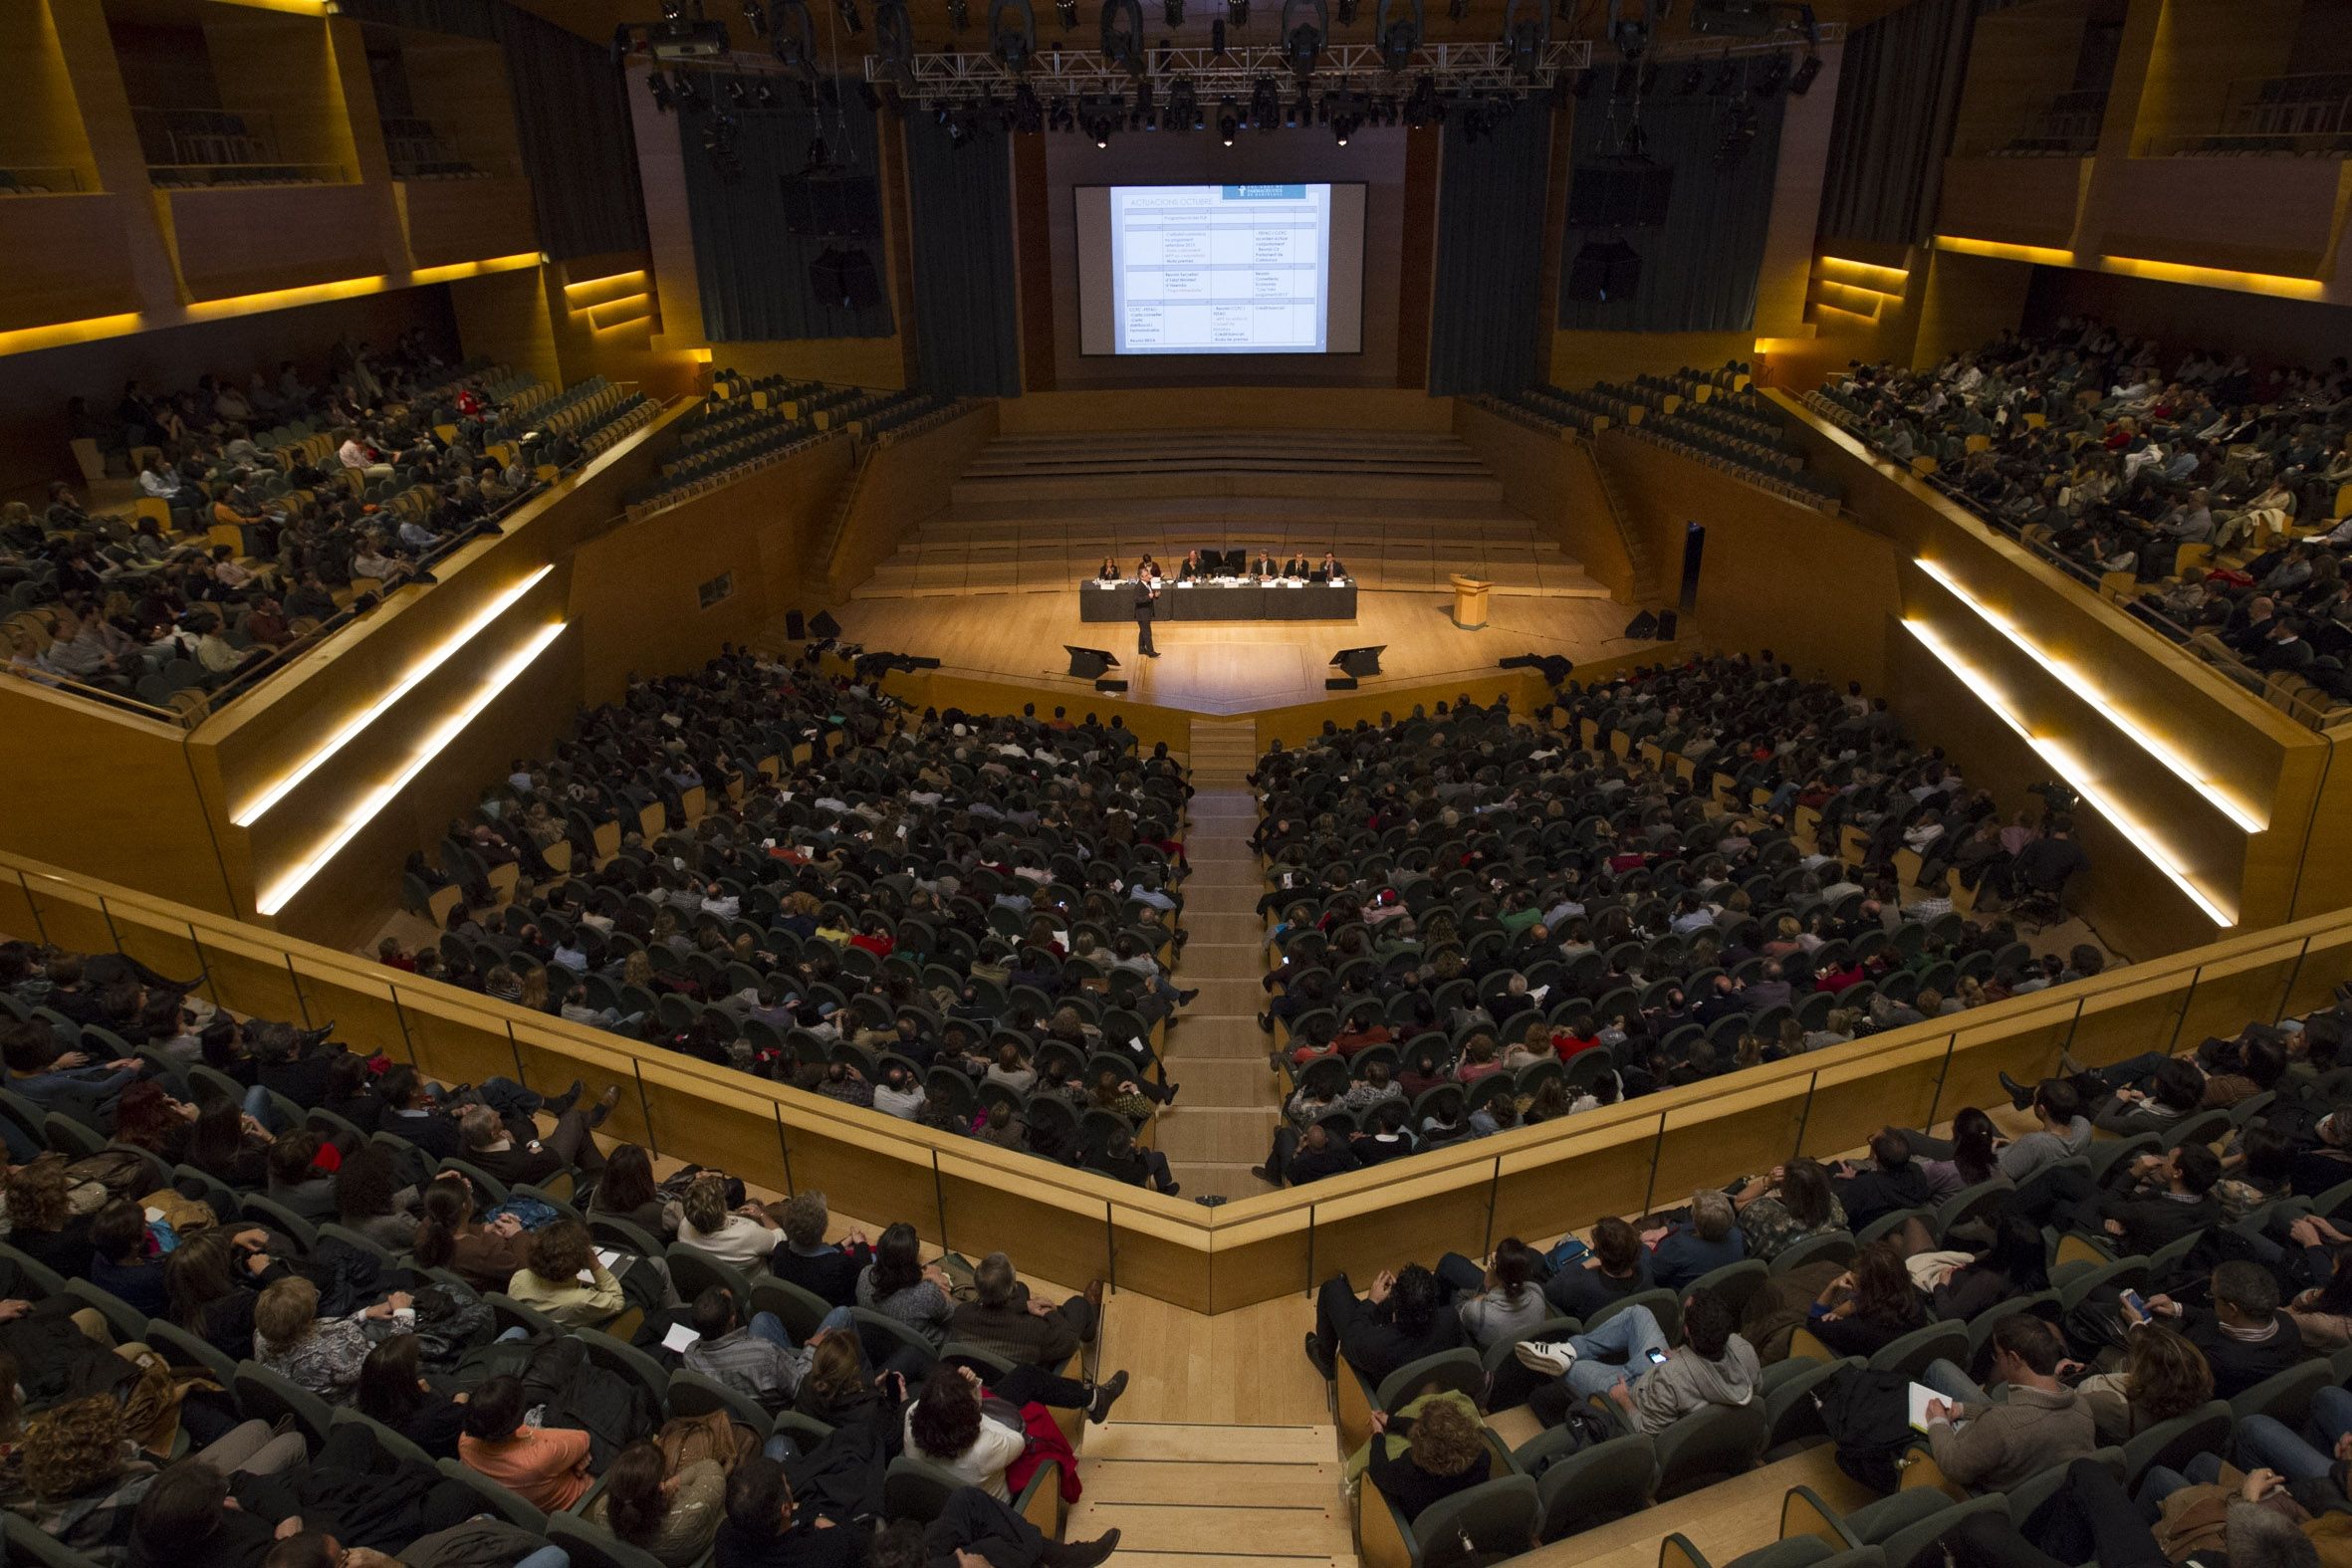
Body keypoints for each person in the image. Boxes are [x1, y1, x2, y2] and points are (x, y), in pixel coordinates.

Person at [1516, 1287, 1758, 1435]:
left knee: (1572, 1369)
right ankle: (1569, 1349)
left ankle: (1569, 1358)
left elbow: (1645, 1430)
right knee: (1637, 1314)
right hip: (1667, 1368)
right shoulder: (1743, 1348)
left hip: (1630, 1392)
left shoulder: (1670, 1380)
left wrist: (1623, 1400)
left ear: (1687, 1332)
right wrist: (1685, 1357)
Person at [1915, 1314, 2098, 1492]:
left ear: (2013, 1359)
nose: (1997, 1361)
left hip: (1981, 1488)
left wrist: (1937, 1421)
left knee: (1938, 1369)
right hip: (2037, 1488)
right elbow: (2017, 1413)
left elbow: (1952, 1466)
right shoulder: (2083, 1407)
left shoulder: (2000, 1425)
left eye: (1997, 1355)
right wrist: (1962, 1409)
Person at [2129, 1260, 2307, 1400]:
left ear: (2232, 1309)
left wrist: (2138, 1327)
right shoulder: (2286, 1324)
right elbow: (2217, 1321)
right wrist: (2178, 1308)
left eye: (2212, 1296)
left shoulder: (2222, 1362)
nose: (2210, 1299)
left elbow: (2166, 1367)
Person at [680, 1284, 849, 1413]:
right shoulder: (764, 1354)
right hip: (786, 1406)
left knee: (762, 1319)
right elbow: (800, 1387)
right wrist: (812, 1349)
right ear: (732, 1320)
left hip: (747, 1401)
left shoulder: (690, 1355)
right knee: (842, 1314)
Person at [253, 1275, 413, 1402]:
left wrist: (365, 1313)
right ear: (307, 1320)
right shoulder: (337, 1348)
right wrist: (403, 1313)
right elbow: (388, 1365)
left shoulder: (260, 1336)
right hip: (364, 1398)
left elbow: (327, 1335)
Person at [1303, 1262, 1466, 1386]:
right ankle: (1352, 1299)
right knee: (1364, 1304)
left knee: (1332, 1289)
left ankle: (1326, 1362)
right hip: (1419, 1378)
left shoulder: (1375, 1345)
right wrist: (1405, 1296)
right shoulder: (1450, 1319)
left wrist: (1371, 1301)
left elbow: (1350, 1341)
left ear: (1396, 1305)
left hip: (1378, 1379)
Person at [457, 1373, 593, 1512]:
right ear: (520, 1417)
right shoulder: (539, 1458)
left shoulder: (465, 1443)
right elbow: (583, 1438)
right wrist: (574, 1458)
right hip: (584, 1499)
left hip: (542, 1494)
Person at [587, 1438, 729, 1568]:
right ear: (659, 1487)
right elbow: (710, 1466)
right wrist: (671, 1483)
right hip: (698, 1549)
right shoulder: (692, 1510)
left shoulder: (601, 1512)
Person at [949, 1252, 1101, 1369]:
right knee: (1078, 1305)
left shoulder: (961, 1314)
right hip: (1034, 1366)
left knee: (1022, 1289)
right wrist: (1051, 1314)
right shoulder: (1035, 1329)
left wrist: (1024, 1306)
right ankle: (1091, 1322)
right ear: (1010, 1288)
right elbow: (1070, 1342)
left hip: (995, 1361)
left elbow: (998, 1312)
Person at [715, 1453, 868, 1568]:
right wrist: (827, 1524)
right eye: (786, 1483)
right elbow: (862, 1545)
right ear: (785, 1509)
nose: (789, 1485)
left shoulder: (724, 1537)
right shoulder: (827, 1547)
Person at [1357, 1394, 1490, 1524]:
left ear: (1420, 1445)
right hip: (1456, 1518)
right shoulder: (1483, 1457)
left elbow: (1378, 1471)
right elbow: (1433, 1432)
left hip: (1418, 1520)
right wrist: (1390, 1420)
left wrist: (1378, 1434)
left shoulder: (1409, 1473)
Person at [902, 1365, 1027, 1501]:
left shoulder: (912, 1413)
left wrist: (962, 1391)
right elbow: (1018, 1440)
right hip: (993, 1507)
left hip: (936, 1500)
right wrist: (976, 1403)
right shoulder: (983, 1449)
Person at [354, 1334, 469, 1459]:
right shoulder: (434, 1417)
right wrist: (458, 1393)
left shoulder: (366, 1408)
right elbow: (463, 1414)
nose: (419, 1365)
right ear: (406, 1379)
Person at [1803, 1241, 1925, 1359]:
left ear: (1868, 1289)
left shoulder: (1855, 1328)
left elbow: (1814, 1323)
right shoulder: (1916, 1301)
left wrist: (1833, 1285)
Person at [503, 1219, 624, 1326]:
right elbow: (618, 1302)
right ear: (581, 1261)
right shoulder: (581, 1300)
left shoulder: (519, 1277)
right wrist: (595, 1265)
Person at [1433, 1237, 1548, 1349]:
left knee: (1450, 1270)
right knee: (1451, 1263)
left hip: (1480, 1332)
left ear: (1496, 1271)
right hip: (1510, 1346)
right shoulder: (1537, 1292)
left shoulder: (1478, 1312)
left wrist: (1489, 1275)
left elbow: (1460, 1312)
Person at [1542, 1217, 1654, 1320]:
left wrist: (1583, 1265)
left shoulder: (1580, 1283)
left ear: (1598, 1254)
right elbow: (1645, 1250)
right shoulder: (1647, 1269)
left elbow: (1549, 1291)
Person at [769, 1193, 868, 1308]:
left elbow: (815, 1256)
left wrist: (843, 1243)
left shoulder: (781, 1251)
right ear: (823, 1228)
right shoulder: (838, 1265)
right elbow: (864, 1274)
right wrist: (861, 1245)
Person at [675, 1173, 783, 1268]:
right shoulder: (748, 1234)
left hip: (716, 1279)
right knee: (778, 1209)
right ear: (722, 1208)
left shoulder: (684, 1226)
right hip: (752, 1284)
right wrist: (762, 1214)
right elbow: (781, 1241)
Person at [1646, 1190, 1746, 1292]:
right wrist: (1668, 1229)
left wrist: (1646, 1248)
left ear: (1695, 1221)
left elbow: (1653, 1273)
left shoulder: (1679, 1246)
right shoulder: (1736, 1235)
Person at [1132, 572, 1159, 659]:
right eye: (1147, 575)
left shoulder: (1147, 583)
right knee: (1147, 632)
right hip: (1142, 613)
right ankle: (1151, 652)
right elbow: (1137, 599)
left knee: (1143, 631)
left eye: (1148, 574)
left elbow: (1150, 593)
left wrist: (1155, 595)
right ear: (1141, 577)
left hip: (1147, 612)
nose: (1149, 576)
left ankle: (1141, 648)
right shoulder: (1139, 586)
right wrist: (1148, 597)